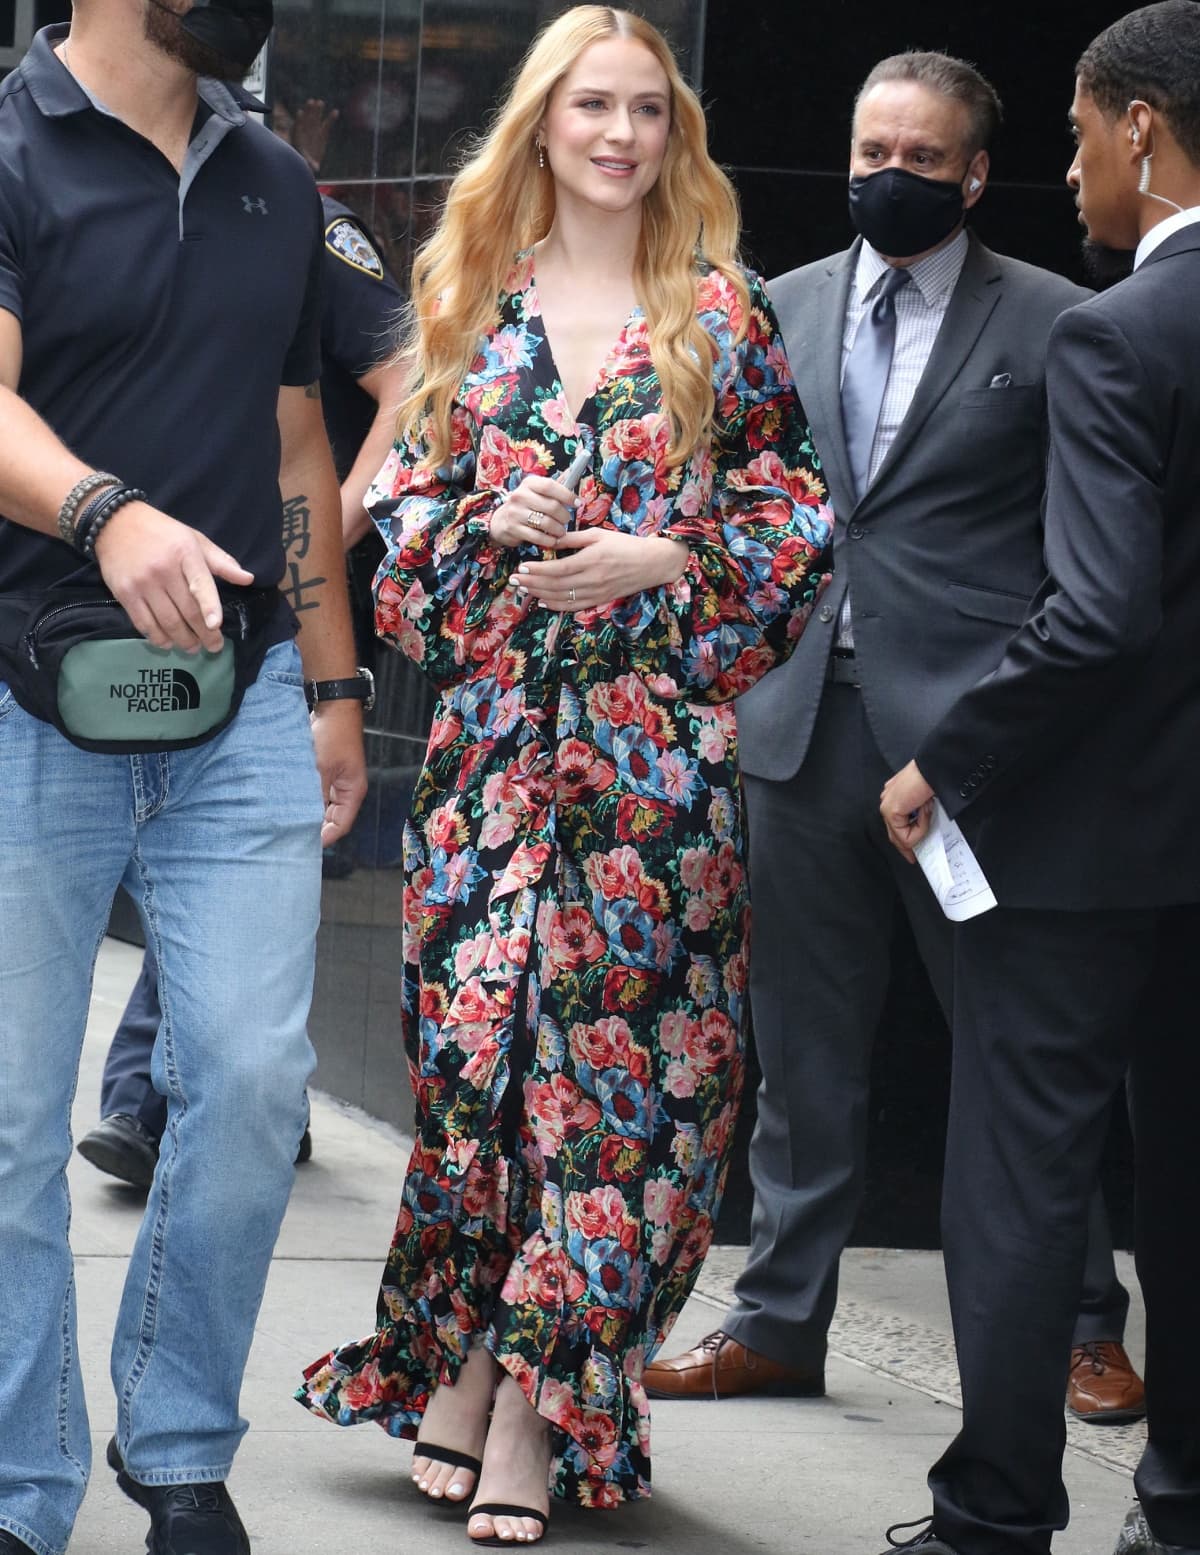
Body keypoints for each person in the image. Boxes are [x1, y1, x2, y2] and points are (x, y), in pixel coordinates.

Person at [295, 4, 831, 1545]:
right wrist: (495, 533)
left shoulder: (718, 314)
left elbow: (794, 527)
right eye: (590, 105)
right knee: (477, 1084)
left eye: (646, 110)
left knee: (614, 1102)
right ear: (540, 124)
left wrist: (667, 551)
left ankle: (539, 1407)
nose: (617, 133)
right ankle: (460, 1354)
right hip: (486, 773)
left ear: (675, 136)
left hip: (653, 784)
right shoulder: (467, 303)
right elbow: (398, 555)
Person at [643, 49, 1143, 1429]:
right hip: (798, 726)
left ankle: (1080, 1324)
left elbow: (1085, 551)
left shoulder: (1055, 322)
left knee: (1020, 1050)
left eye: (923, 160)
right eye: (873, 153)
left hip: (973, 750)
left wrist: (1008, 729)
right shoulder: (776, 308)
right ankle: (777, 1318)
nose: (891, 178)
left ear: (978, 175)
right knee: (800, 1049)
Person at [0, 1, 368, 1552]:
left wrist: (337, 683)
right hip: (24, 697)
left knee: (253, 1075)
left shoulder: (277, 180)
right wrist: (107, 514)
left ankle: (178, 1444)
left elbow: (297, 449)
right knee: (12, 1123)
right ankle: (23, 1481)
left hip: (246, 704)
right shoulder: (12, 145)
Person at [876, 5, 1200, 1552]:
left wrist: (949, 751)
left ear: (1141, 126)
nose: (1071, 177)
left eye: (1078, 136)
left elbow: (1094, 611)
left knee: (1016, 1183)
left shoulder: (1114, 331)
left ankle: (996, 1510)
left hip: (1080, 844)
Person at [74, 188, 406, 1190]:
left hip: (293, 608)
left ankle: (146, 1093)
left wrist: (326, 534)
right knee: (225, 861)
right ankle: (210, 1092)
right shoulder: (128, 211)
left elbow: (415, 383)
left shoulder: (297, 211)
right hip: (175, 598)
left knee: (226, 850)